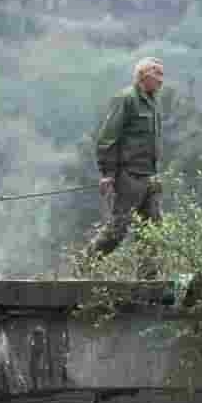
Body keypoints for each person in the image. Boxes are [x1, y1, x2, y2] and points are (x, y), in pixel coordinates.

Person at [84, 56, 165, 268]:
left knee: (152, 232)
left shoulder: (153, 103)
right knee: (118, 229)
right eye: (157, 73)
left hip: (149, 176)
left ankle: (148, 280)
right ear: (142, 75)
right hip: (129, 177)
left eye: (162, 74)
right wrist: (107, 174)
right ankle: (84, 265)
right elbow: (107, 138)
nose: (161, 79)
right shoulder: (126, 99)